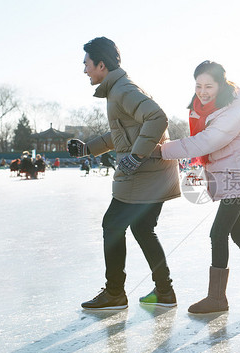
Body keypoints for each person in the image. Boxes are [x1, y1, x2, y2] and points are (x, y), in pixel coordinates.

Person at [158, 60, 240, 314]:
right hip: (235, 178)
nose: (203, 91)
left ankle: (217, 298)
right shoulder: (211, 111)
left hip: (238, 180)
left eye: (209, 86)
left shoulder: (232, 114)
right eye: (198, 86)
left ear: (221, 85)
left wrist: (160, 151)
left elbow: (203, 143)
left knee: (218, 234)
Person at [67, 37, 181, 310]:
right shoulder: (117, 90)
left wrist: (136, 156)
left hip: (144, 175)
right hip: (154, 174)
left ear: (101, 65)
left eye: (86, 64)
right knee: (143, 229)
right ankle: (164, 291)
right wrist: (87, 149)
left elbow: (157, 117)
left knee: (112, 225)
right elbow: (120, 133)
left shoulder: (123, 90)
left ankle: (115, 293)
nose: (84, 70)